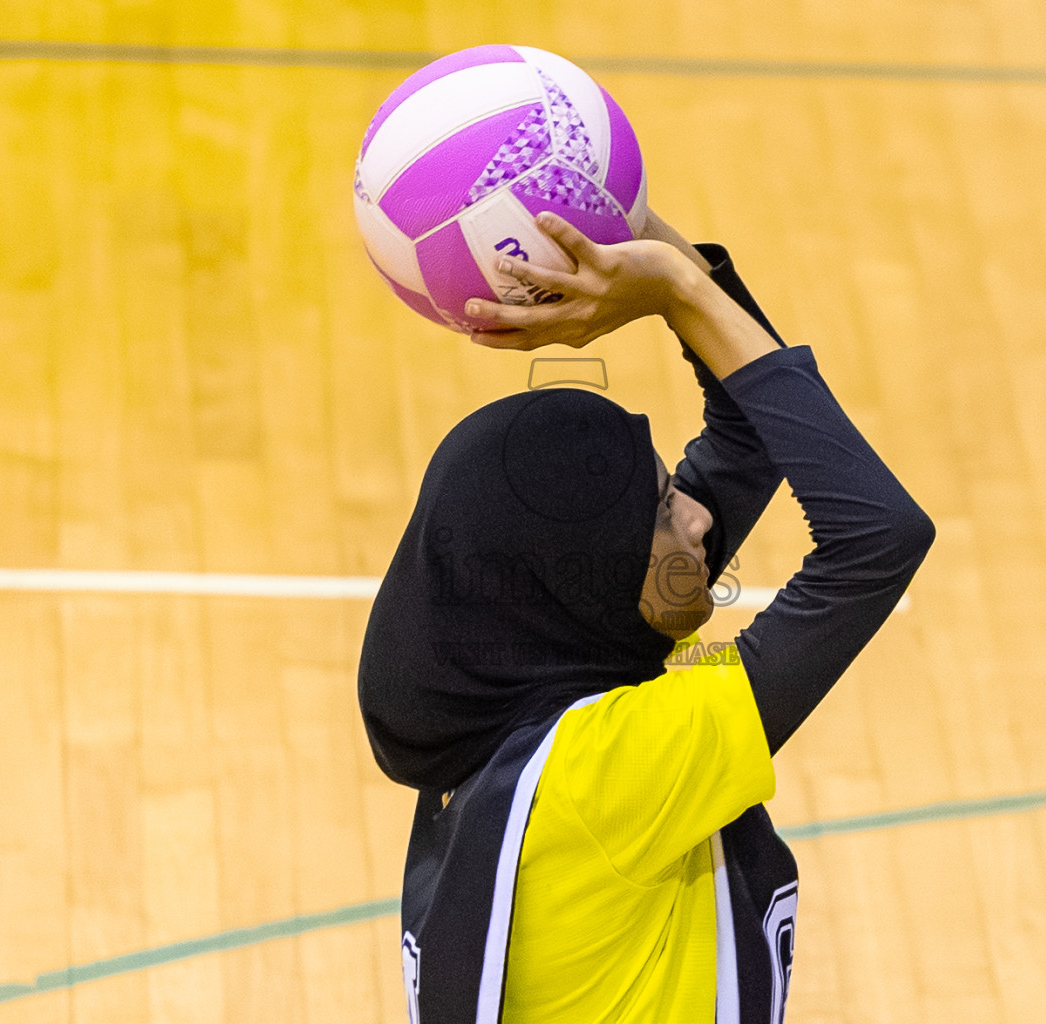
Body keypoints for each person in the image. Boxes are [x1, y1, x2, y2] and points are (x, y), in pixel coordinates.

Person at [357, 208, 934, 1024]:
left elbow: (747, 437)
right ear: (585, 581)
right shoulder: (608, 775)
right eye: (664, 509)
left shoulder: (515, 708)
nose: (699, 521)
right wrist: (671, 290)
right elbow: (878, 537)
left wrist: (626, 223)